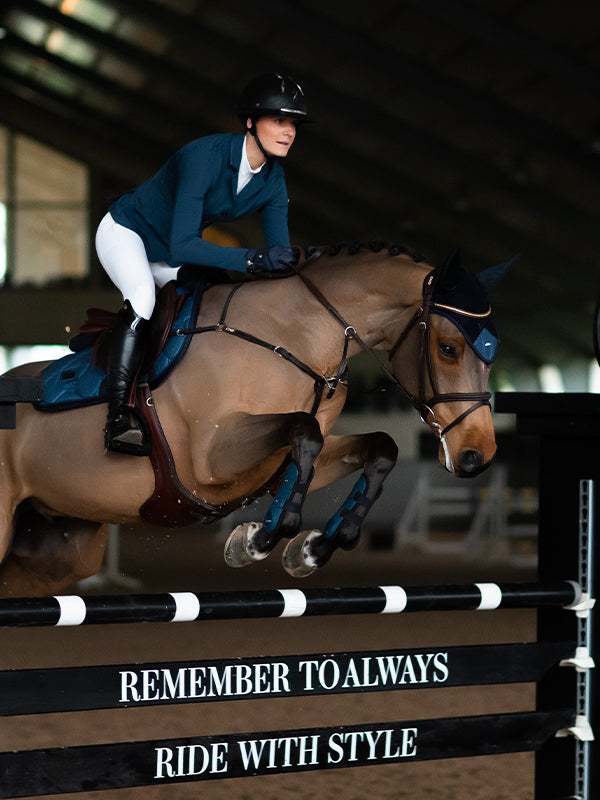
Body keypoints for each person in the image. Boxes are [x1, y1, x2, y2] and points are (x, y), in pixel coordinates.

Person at [95, 73, 309, 456]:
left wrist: (304, 259)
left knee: (216, 290)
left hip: (168, 256)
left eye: (292, 123)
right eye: (279, 120)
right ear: (249, 122)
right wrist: (251, 258)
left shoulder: (274, 182)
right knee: (143, 296)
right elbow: (185, 243)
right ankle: (116, 420)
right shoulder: (203, 157)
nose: (288, 131)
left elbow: (277, 257)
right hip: (126, 233)